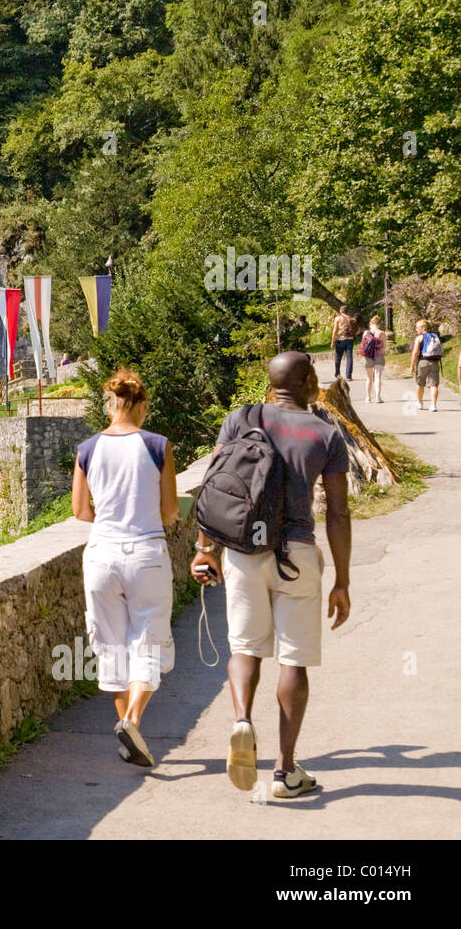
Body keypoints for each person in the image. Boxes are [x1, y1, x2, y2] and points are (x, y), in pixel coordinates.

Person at [191, 352, 351, 798]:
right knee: (293, 659)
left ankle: (242, 720)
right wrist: (342, 580)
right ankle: (285, 770)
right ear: (303, 381)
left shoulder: (240, 420)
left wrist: (206, 551)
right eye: (313, 376)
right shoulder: (325, 434)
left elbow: (215, 489)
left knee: (244, 648)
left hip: (243, 552)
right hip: (296, 554)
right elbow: (338, 512)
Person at [72, 369, 179, 768]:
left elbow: (81, 510)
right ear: (141, 405)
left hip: (101, 554)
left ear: (110, 404)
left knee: (113, 647)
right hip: (146, 552)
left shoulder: (87, 448)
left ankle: (128, 736)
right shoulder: (158, 446)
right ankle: (132, 720)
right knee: (150, 639)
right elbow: (169, 511)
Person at [409, 319, 442, 412]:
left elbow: (415, 352)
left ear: (423, 328)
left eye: (417, 327)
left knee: (420, 383)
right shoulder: (435, 336)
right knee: (434, 385)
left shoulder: (419, 338)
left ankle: (419, 403)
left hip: (423, 362)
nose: (416, 329)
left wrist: (412, 366)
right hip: (434, 362)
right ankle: (433, 405)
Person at [359, 315, 386, 403]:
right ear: (379, 324)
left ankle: (368, 397)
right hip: (378, 356)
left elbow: (363, 345)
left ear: (371, 323)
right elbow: (384, 347)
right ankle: (378, 397)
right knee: (378, 377)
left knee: (369, 378)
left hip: (368, 357)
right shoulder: (382, 333)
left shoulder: (366, 333)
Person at [330, 306, 358, 381]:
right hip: (350, 340)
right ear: (347, 311)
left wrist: (332, 341)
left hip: (340, 340)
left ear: (340, 311)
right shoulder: (352, 319)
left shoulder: (338, 318)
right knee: (349, 358)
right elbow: (357, 331)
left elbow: (335, 331)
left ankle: (337, 374)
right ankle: (348, 376)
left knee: (338, 357)